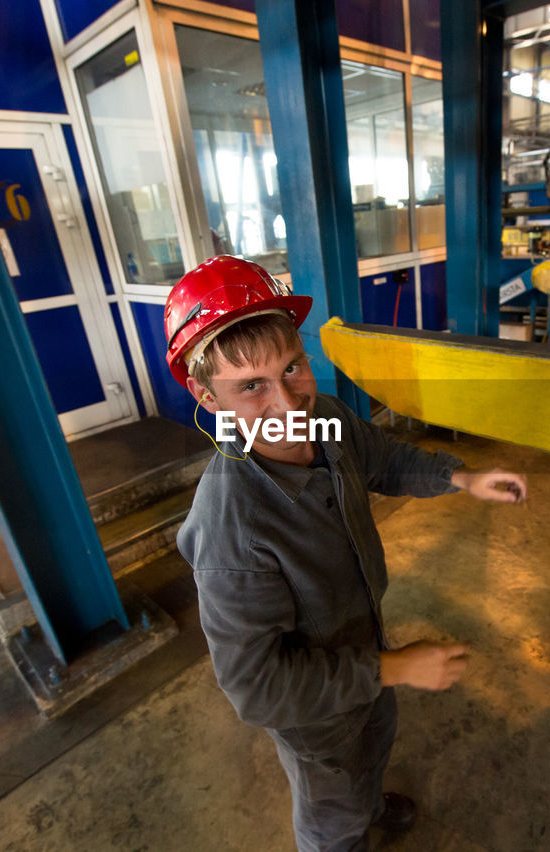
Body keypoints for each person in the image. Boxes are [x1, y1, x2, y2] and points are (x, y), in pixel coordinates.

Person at [167, 256, 528, 852]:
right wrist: (398, 668)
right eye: (251, 386)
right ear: (207, 397)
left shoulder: (324, 424)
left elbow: (383, 459)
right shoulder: (233, 528)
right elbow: (256, 687)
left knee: (375, 743)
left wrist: (463, 478)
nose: (287, 403)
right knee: (332, 815)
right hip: (316, 719)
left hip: (366, 649)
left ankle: (369, 799)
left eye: (293, 368)